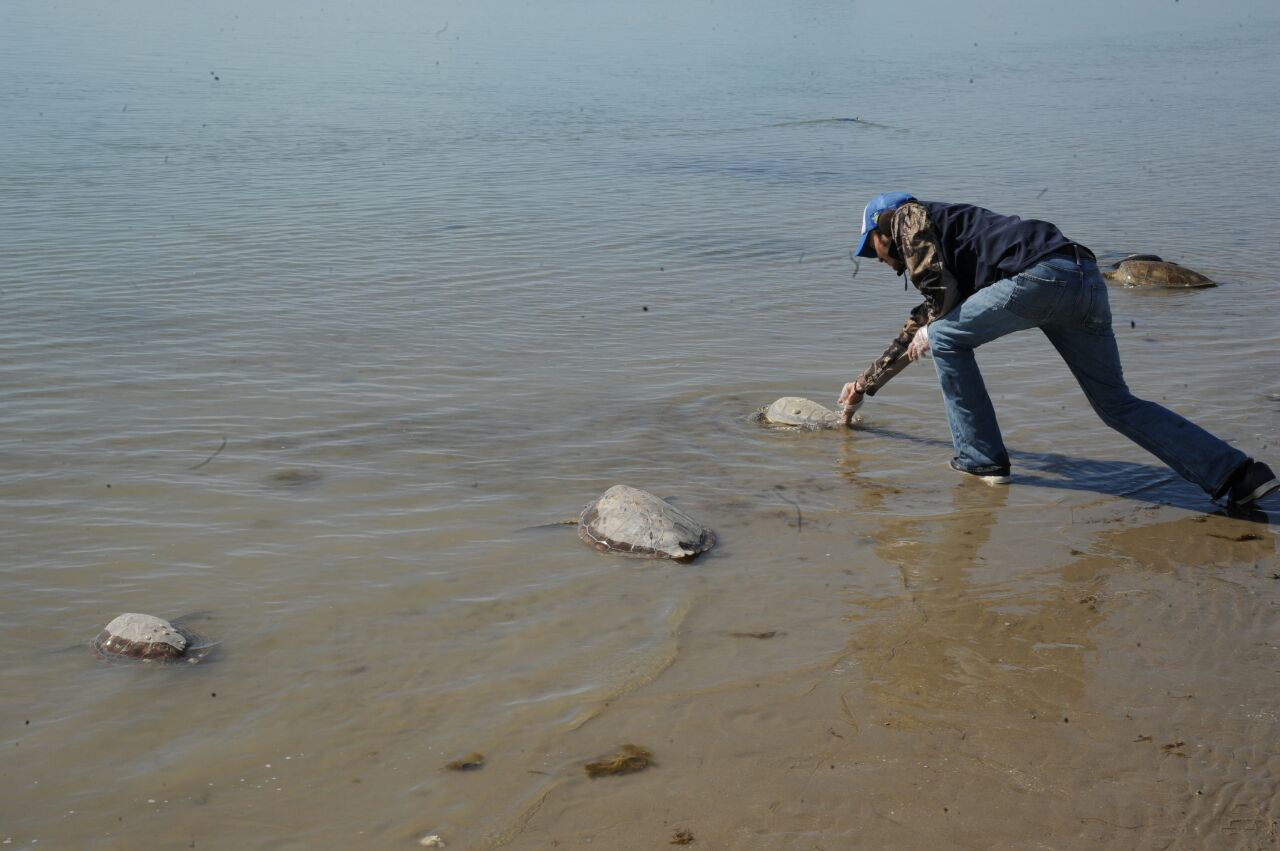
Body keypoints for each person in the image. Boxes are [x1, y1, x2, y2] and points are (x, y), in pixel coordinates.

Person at [835, 192, 1278, 508]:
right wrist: (864, 384)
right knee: (1115, 403)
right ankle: (1239, 475)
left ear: (880, 229)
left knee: (946, 337)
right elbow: (925, 315)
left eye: (873, 253)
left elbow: (935, 307)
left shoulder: (904, 217)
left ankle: (980, 461)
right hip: (1082, 276)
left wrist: (933, 328)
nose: (882, 263)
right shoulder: (955, 243)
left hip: (1041, 277)